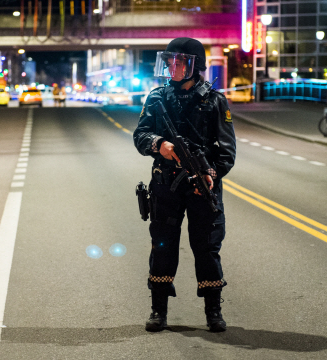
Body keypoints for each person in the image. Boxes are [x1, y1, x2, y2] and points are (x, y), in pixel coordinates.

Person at [133, 37, 236, 333]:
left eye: (179, 62)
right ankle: (158, 310)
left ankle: (213, 310)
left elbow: (227, 150)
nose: (173, 67)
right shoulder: (157, 98)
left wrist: (211, 174)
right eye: (170, 61)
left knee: (207, 248)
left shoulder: (215, 102)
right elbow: (140, 135)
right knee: (162, 247)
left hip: (202, 187)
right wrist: (158, 144)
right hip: (166, 187)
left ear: (195, 66)